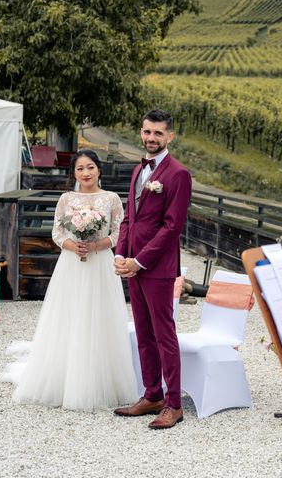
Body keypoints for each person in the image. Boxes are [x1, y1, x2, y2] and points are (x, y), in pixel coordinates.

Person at [1, 149, 138, 411]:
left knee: (99, 316)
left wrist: (98, 245)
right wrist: (72, 246)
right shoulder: (66, 199)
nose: (85, 173)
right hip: (71, 263)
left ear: (99, 169)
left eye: (90, 167)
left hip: (100, 264)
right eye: (79, 169)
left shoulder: (111, 199)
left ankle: (99, 379)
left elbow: (121, 232)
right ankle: (64, 377)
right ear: (73, 172)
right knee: (68, 315)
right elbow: (57, 231)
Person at [113, 109, 192, 429]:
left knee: (164, 336)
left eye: (158, 133)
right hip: (132, 266)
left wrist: (140, 260)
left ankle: (174, 404)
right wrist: (120, 255)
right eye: (147, 132)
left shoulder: (178, 174)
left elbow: (172, 228)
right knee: (144, 335)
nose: (151, 138)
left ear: (169, 137)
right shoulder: (138, 171)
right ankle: (152, 394)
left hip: (156, 268)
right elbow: (129, 218)